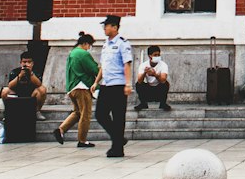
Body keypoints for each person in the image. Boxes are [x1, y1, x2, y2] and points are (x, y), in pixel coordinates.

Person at [93, 15, 133, 158]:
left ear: (115, 27)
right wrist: (96, 82)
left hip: (118, 84)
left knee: (118, 117)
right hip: (106, 84)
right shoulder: (106, 44)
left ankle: (117, 148)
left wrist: (128, 84)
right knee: (100, 114)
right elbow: (103, 66)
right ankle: (119, 138)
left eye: (107, 26)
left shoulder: (123, 43)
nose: (104, 28)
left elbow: (127, 64)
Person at [55, 32, 97, 147]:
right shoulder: (82, 54)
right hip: (81, 87)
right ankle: (82, 140)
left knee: (77, 112)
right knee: (85, 113)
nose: (89, 48)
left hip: (72, 87)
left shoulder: (72, 53)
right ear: (85, 43)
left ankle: (61, 130)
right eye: (90, 45)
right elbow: (94, 69)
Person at [135, 45, 172, 111]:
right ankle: (143, 103)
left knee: (166, 84)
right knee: (138, 84)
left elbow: (163, 80)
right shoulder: (143, 65)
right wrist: (145, 72)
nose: (157, 56)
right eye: (155, 55)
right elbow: (139, 81)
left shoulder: (163, 65)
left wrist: (155, 74)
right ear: (150, 56)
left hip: (159, 90)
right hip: (148, 90)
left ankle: (163, 104)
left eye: (158, 55)